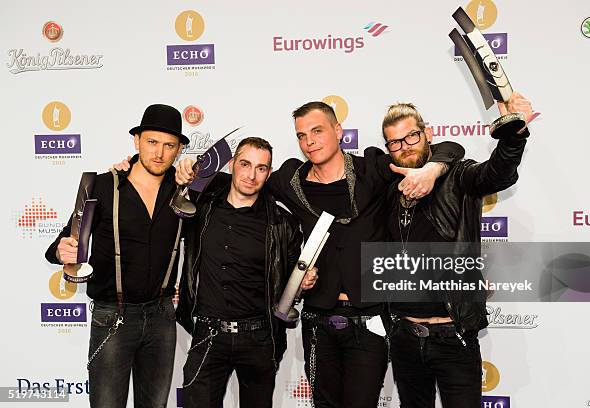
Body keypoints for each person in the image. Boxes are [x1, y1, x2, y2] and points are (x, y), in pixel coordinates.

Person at [175, 101, 465, 408]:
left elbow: (450, 149)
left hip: (369, 320)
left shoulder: (372, 167)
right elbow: (243, 181)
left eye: (317, 131)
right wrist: (192, 174)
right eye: (301, 135)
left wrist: (433, 168)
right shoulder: (288, 179)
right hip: (318, 321)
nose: (309, 141)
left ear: (338, 131)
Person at [382, 92, 533, 408]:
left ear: (428, 134)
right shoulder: (387, 186)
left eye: (411, 136)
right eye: (394, 142)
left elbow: (498, 172)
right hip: (404, 336)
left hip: (454, 335)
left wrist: (514, 133)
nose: (404, 146)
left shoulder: (459, 177)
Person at [46, 104, 187, 408]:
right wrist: (63, 250)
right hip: (113, 316)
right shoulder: (102, 185)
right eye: (151, 142)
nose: (159, 153)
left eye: (169, 145)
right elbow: (62, 243)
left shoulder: (185, 191)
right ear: (136, 141)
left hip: (162, 317)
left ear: (179, 150)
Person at [175, 137, 311, 408]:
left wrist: (304, 282)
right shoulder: (201, 208)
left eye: (261, 168)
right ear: (232, 165)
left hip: (260, 338)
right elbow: (156, 184)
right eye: (245, 164)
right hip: (208, 335)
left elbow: (292, 281)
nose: (251, 175)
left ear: (268, 173)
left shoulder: (282, 222)